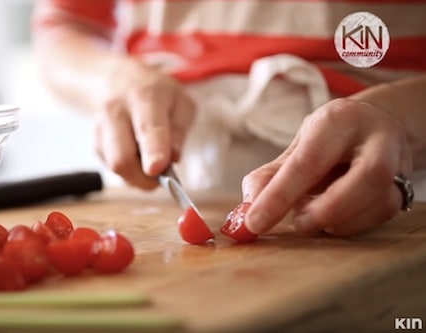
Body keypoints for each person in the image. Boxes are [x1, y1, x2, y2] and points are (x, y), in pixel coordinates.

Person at [31, 0, 426, 238]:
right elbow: (63, 26)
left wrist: (404, 121)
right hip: (164, 160)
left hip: (392, 172)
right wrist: (115, 79)